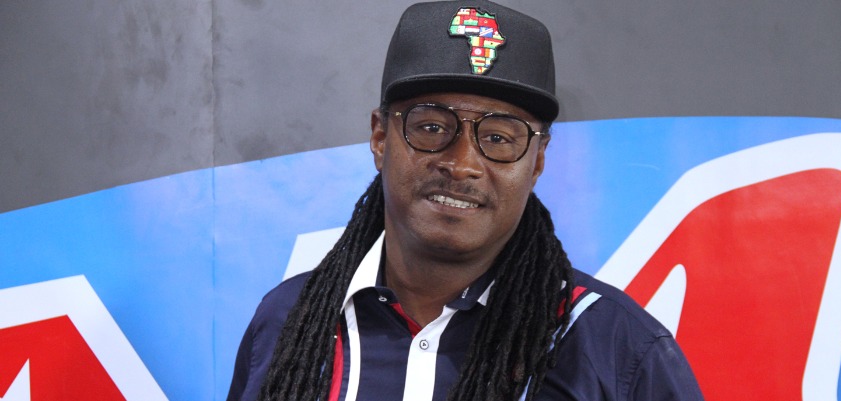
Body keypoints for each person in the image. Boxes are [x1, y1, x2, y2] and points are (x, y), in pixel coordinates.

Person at [227, 1, 704, 400]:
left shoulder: (617, 347)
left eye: (498, 137)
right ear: (379, 137)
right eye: (432, 127)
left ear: (537, 162)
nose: (461, 164)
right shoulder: (289, 320)